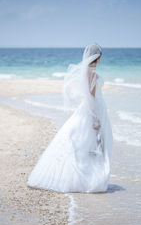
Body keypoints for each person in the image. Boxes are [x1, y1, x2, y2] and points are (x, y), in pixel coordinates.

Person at [27, 43, 113, 193]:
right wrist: (95, 119)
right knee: (90, 144)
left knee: (85, 144)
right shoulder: (91, 73)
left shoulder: (86, 71)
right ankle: (88, 179)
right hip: (92, 110)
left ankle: (87, 177)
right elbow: (91, 97)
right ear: (98, 58)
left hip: (88, 109)